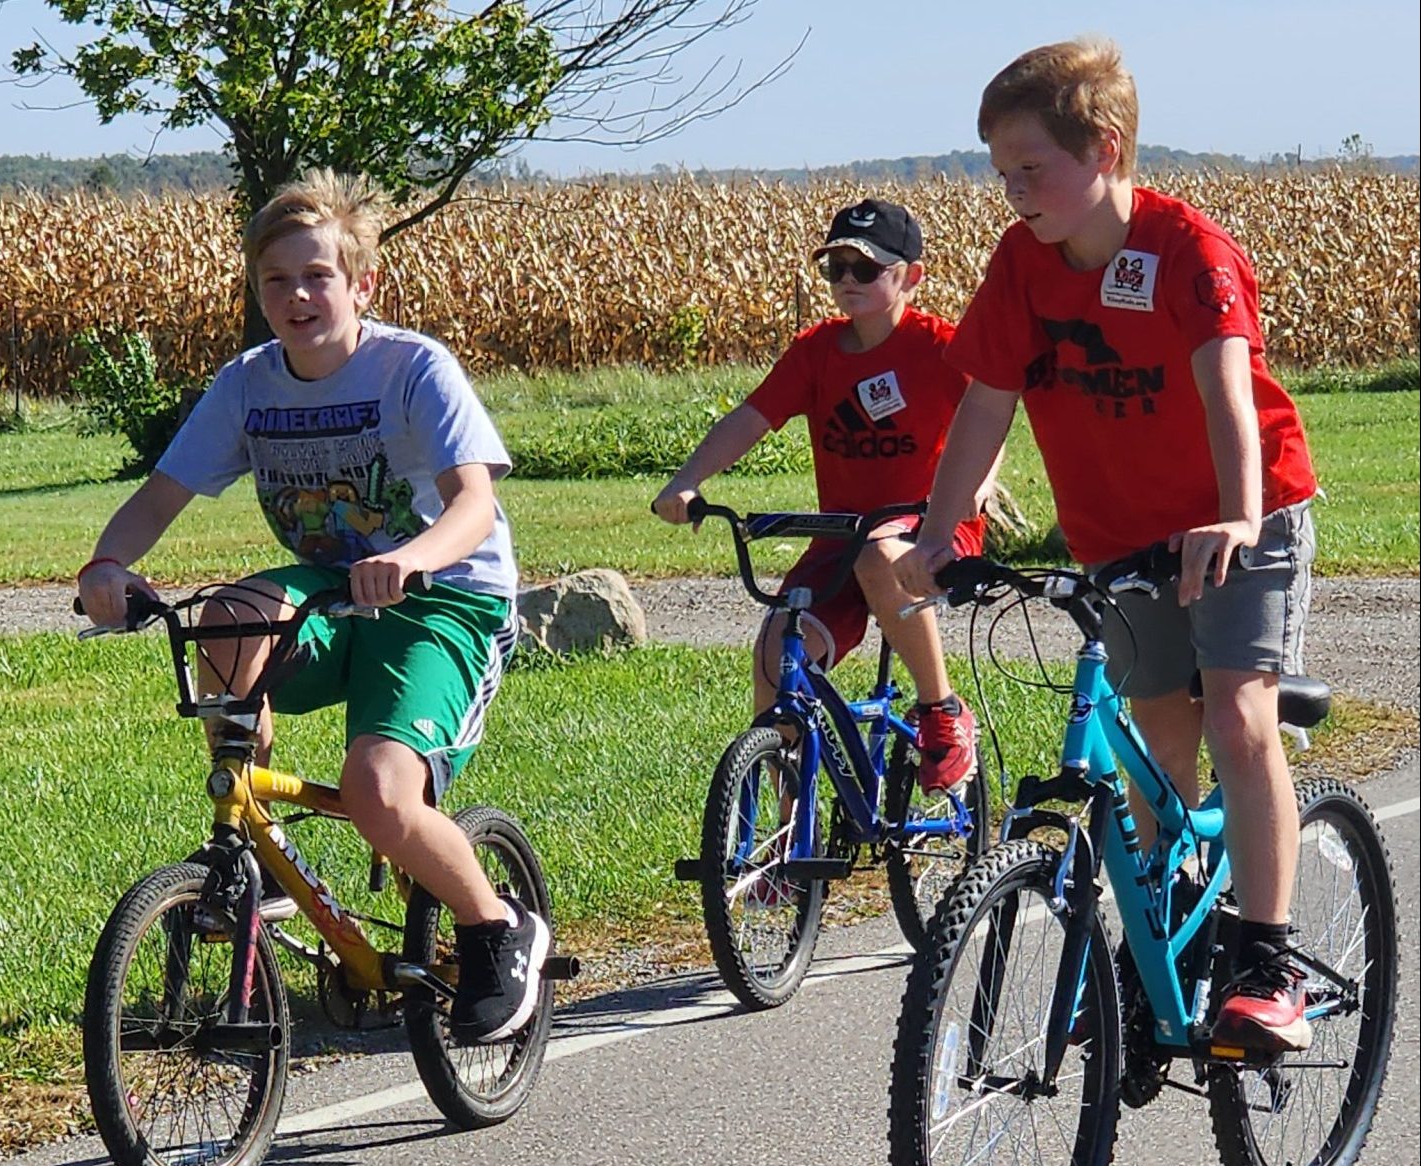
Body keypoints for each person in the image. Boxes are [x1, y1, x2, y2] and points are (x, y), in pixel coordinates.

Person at [896, 39, 1320, 1052]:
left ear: (1106, 149)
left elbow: (1225, 391)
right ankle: (1156, 946)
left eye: (1029, 167)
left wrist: (1231, 513)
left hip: (1239, 511)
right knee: (1151, 735)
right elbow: (983, 407)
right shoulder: (1021, 265)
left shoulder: (1188, 252)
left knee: (1232, 714)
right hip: (1118, 537)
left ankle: (1265, 961)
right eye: (998, 169)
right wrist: (934, 535)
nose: (1011, 189)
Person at [75, 168, 548, 1045]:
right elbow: (160, 496)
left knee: (377, 792)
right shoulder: (249, 382)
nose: (297, 295)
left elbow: (473, 503)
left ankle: (496, 925)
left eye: (317, 275)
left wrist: (406, 559)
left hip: (443, 599)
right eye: (276, 280)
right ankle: (243, 840)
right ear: (258, 292)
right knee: (222, 616)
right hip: (333, 595)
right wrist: (108, 563)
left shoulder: (414, 368)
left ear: (361, 284)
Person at [653, 198, 991, 794]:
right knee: (775, 653)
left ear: (910, 276)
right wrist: (688, 480)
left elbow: (988, 419)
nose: (846, 281)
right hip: (844, 535)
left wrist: (976, 486)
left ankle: (941, 711)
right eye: (835, 268)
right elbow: (750, 418)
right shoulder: (817, 351)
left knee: (881, 556)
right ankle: (786, 836)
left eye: (865, 269)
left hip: (929, 527)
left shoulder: (939, 345)